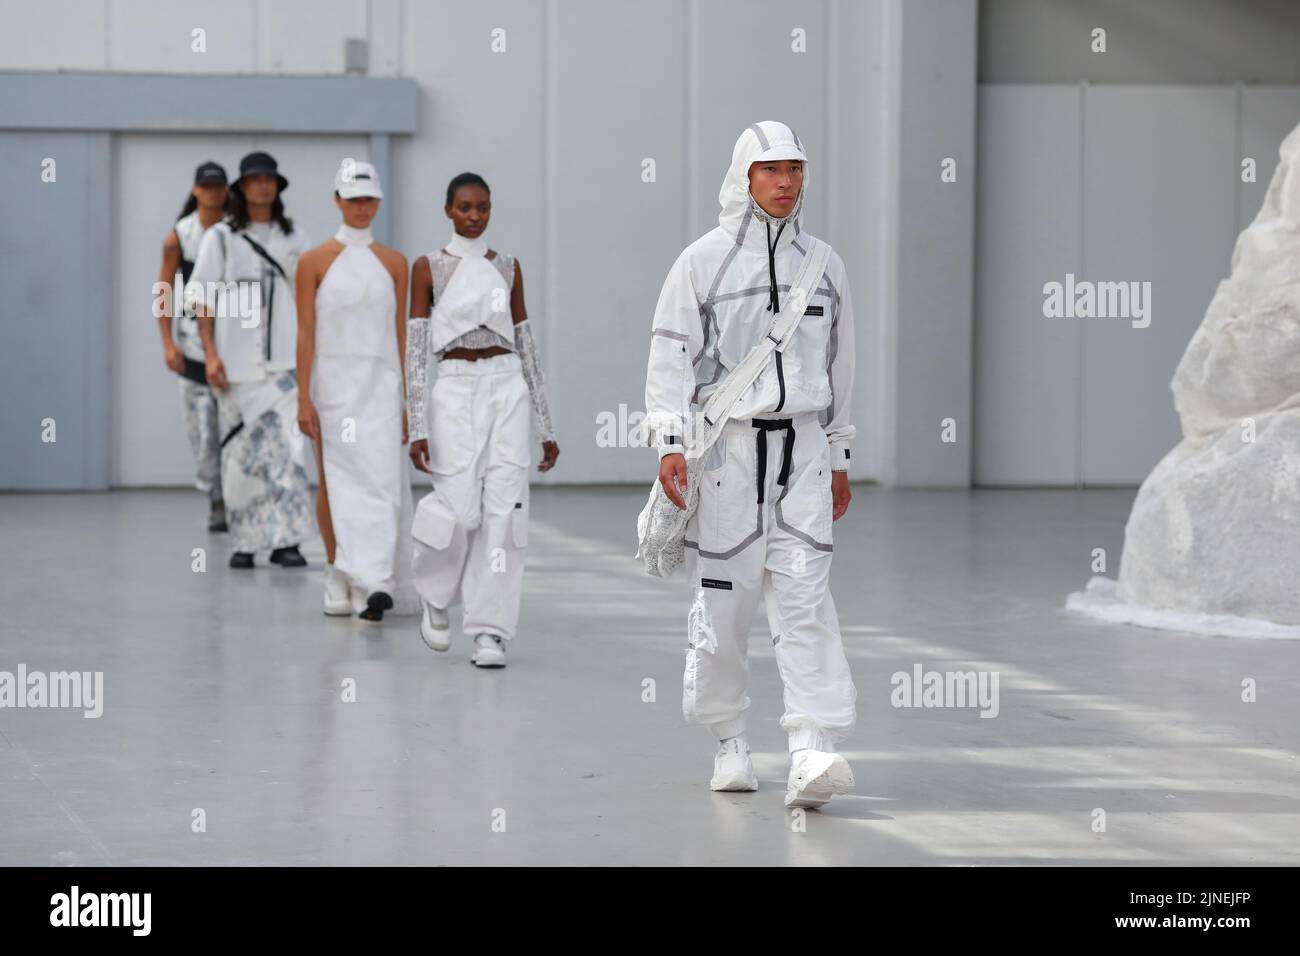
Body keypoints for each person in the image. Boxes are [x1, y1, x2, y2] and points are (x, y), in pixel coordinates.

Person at [643, 121, 858, 809]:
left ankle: (812, 747)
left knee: (805, 600)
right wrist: (670, 443)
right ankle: (730, 738)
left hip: (804, 454)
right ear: (744, 176)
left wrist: (842, 452)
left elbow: (840, 365)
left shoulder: (826, 264)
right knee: (724, 604)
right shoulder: (700, 263)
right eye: (771, 170)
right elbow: (671, 355)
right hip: (728, 456)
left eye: (795, 170)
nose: (786, 182)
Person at [406, 172, 559, 667]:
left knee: (506, 508)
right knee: (458, 507)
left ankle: (489, 630)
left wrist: (546, 425)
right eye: (465, 207)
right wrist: (416, 424)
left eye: (483, 208)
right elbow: (414, 350)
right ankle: (434, 594)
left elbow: (527, 342)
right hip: (453, 387)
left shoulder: (509, 267)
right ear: (447, 209)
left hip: (506, 383)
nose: (474, 216)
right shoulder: (428, 268)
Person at [296, 160, 413, 620]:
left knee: (383, 480)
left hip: (381, 387)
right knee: (335, 480)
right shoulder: (312, 262)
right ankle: (337, 570)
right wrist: (303, 396)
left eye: (369, 199)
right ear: (337, 200)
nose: (361, 207)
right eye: (353, 199)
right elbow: (305, 331)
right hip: (333, 386)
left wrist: (410, 401)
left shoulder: (394, 263)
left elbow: (401, 334)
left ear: (378, 202)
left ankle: (375, 579)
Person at [189, 151, 313, 570]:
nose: (262, 185)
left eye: (269, 179)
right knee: (239, 454)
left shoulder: (295, 237)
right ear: (241, 188)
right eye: (254, 179)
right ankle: (245, 541)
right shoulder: (220, 237)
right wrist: (209, 355)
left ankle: (287, 541)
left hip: (283, 365)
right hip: (235, 364)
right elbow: (201, 299)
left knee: (288, 453)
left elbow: (310, 298)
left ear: (277, 187)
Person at [157, 161, 228, 532]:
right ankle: (215, 497)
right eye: (207, 186)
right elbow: (165, 293)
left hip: (230, 343)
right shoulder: (180, 237)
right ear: (197, 190)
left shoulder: (237, 230)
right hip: (191, 345)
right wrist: (168, 344)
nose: (214, 192)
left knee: (234, 425)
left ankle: (237, 496)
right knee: (202, 429)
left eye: (220, 186)